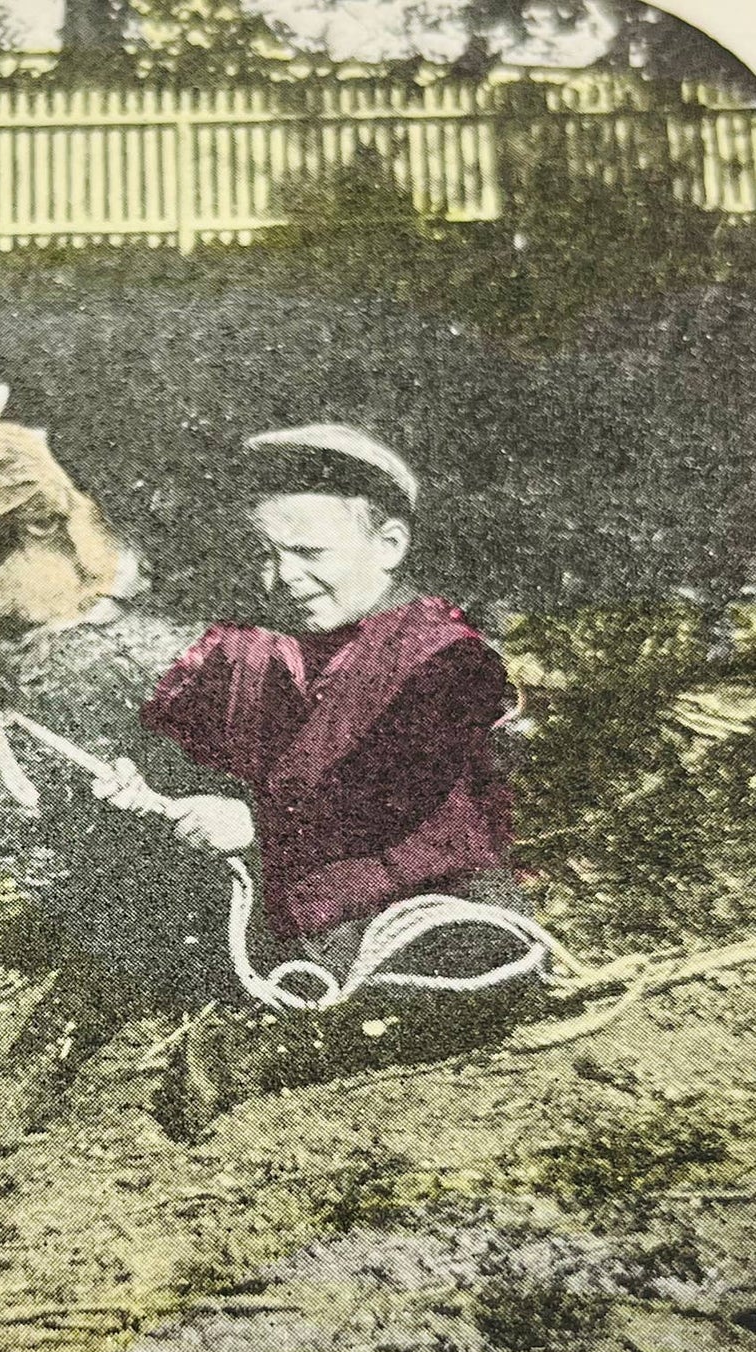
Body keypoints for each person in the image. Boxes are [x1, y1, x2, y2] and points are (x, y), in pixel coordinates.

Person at [95, 424, 533, 1133]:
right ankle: (25, 1062)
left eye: (307, 553)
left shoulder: (451, 660)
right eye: (265, 555)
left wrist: (254, 823)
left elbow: (384, 797)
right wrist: (137, 771)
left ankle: (261, 1056)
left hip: (414, 892)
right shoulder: (244, 644)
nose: (283, 578)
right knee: (120, 919)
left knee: (483, 976)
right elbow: (171, 736)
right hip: (285, 894)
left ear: (388, 546)